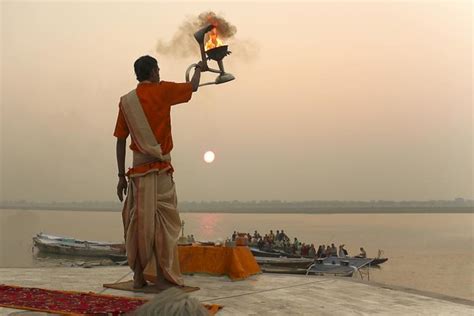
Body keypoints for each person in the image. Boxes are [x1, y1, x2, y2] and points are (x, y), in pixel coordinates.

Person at [115, 55, 204, 289]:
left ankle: (138, 277)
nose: (160, 73)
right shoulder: (162, 90)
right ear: (153, 72)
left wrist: (120, 177)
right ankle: (163, 277)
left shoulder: (126, 102)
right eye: (158, 69)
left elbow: (120, 141)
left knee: (138, 224)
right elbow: (193, 87)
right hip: (160, 171)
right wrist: (199, 68)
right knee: (164, 225)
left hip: (136, 175)